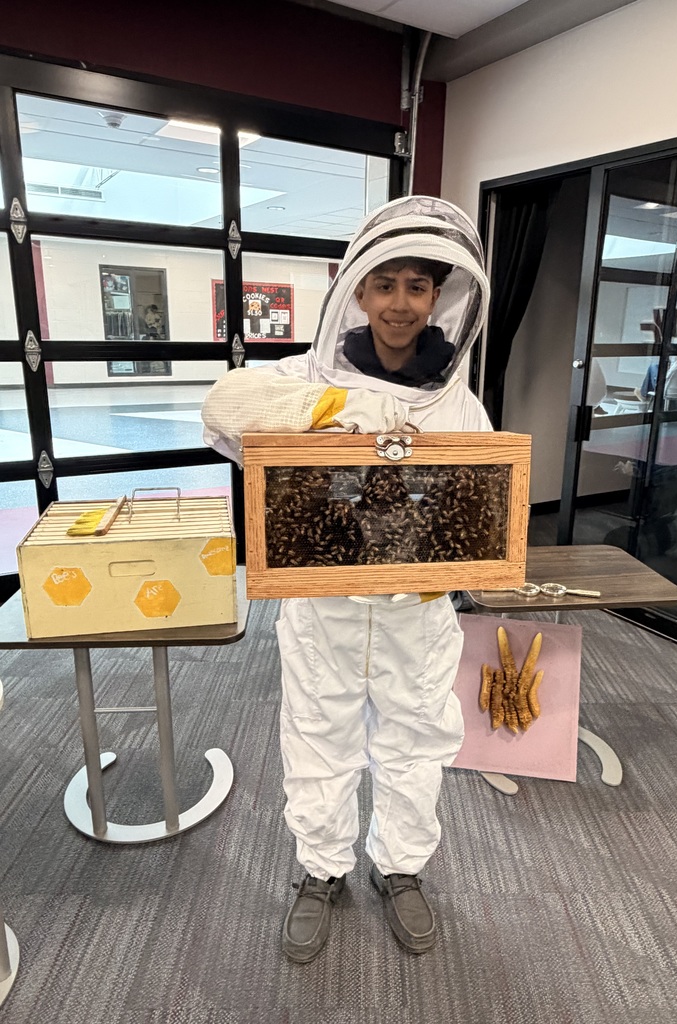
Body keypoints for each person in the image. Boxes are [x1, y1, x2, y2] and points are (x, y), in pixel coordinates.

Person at [201, 195, 493, 963]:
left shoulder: (458, 402)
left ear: (439, 298)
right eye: (385, 283)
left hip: (416, 611)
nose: (400, 303)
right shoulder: (309, 375)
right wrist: (338, 406)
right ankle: (320, 872)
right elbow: (223, 406)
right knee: (318, 737)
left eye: (418, 286)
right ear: (358, 292)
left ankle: (400, 869)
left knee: (416, 741)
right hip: (325, 605)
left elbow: (486, 494)